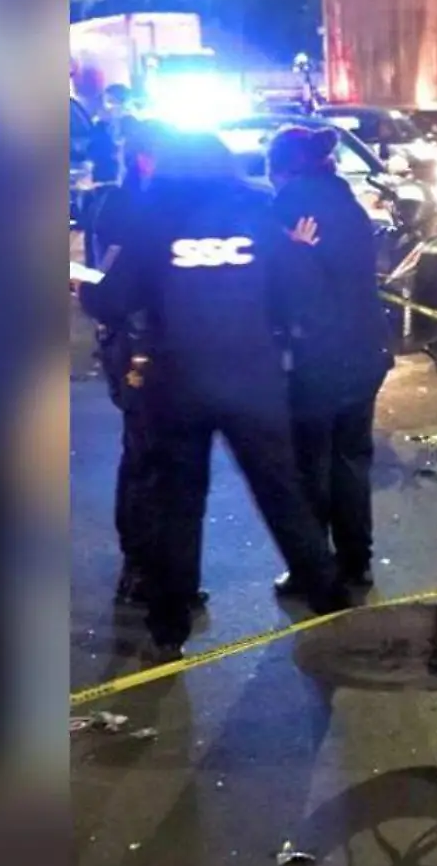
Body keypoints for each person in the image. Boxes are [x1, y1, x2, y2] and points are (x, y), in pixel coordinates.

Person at [76, 128, 352, 661]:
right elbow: (298, 290)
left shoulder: (153, 218)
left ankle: (167, 625)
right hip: (252, 377)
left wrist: (85, 289)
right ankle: (331, 597)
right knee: (281, 490)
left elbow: (112, 301)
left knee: (176, 503)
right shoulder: (255, 209)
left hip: (176, 382)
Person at [265, 125, 395, 595]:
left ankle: (312, 567)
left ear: (278, 167)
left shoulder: (287, 205)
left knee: (308, 465)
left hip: (315, 355)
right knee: (351, 459)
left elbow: (284, 287)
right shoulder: (348, 203)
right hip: (365, 351)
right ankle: (356, 560)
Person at [84, 118, 173, 605]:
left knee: (163, 461)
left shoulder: (154, 204)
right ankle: (140, 567)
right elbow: (108, 291)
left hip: (164, 349)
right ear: (145, 158)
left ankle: (163, 568)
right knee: (144, 459)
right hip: (138, 350)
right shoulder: (125, 206)